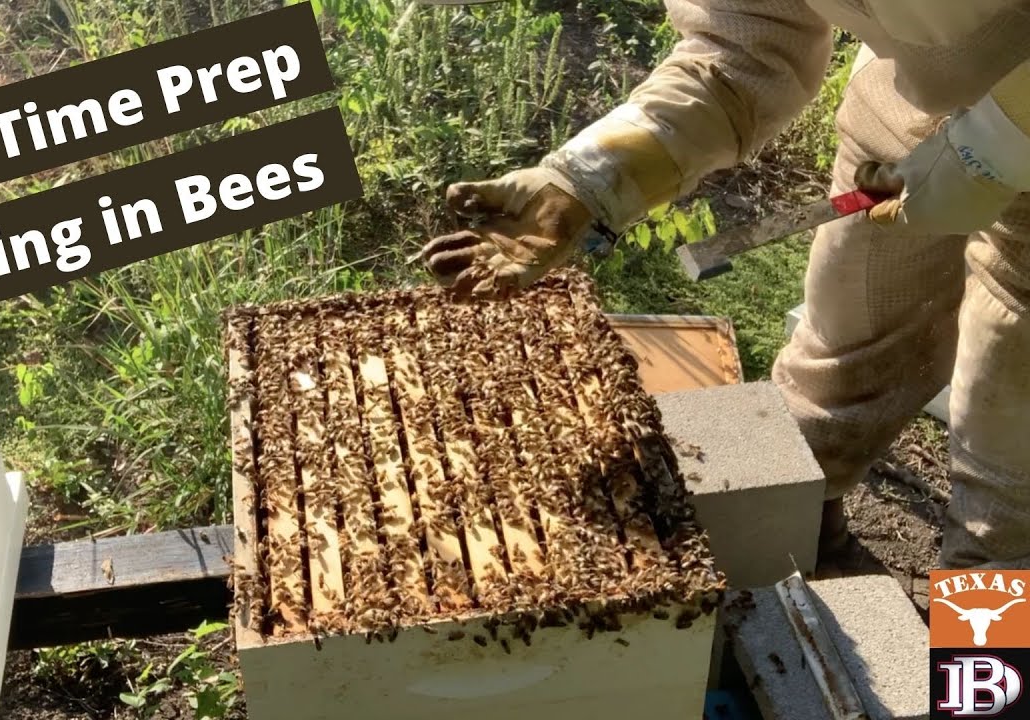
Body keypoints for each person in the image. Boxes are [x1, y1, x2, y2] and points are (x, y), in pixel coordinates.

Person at [416, 1, 1030, 570]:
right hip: (907, 111)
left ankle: (979, 660)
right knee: (847, 345)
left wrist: (997, 145)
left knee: (1008, 462)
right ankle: (793, 536)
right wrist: (590, 179)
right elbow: (742, 44)